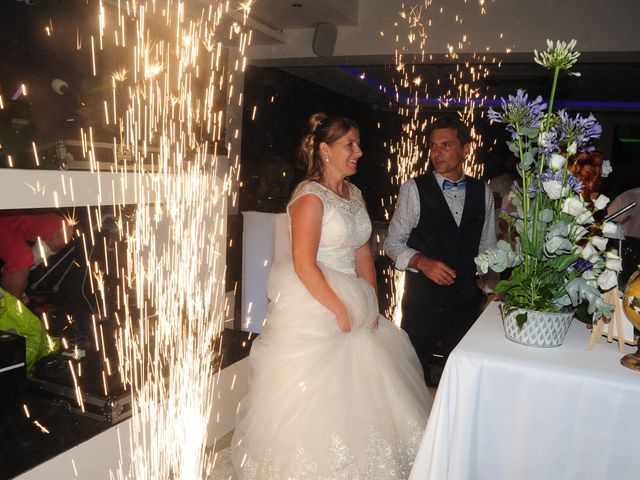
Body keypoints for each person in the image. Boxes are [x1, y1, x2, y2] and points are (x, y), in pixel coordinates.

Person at [231, 113, 431, 479]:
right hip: (316, 298)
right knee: (320, 398)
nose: (358, 151)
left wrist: (371, 301)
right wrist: (339, 309)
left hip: (353, 296)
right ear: (325, 150)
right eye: (349, 145)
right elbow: (304, 264)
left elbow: (362, 252)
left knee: (368, 390)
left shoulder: (354, 195)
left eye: (357, 144)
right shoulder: (310, 198)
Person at [384, 116, 496, 376]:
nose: (436, 153)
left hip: (466, 304)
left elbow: (487, 249)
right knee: (410, 375)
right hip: (422, 304)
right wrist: (421, 262)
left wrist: (491, 290)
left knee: (463, 376)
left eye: (445, 145)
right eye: (433, 146)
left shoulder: (484, 192)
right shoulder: (414, 189)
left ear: (466, 149)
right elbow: (391, 242)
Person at [0, 210, 72, 302]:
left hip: (18, 212)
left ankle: (20, 274)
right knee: (22, 259)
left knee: (64, 231)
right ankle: (12, 305)